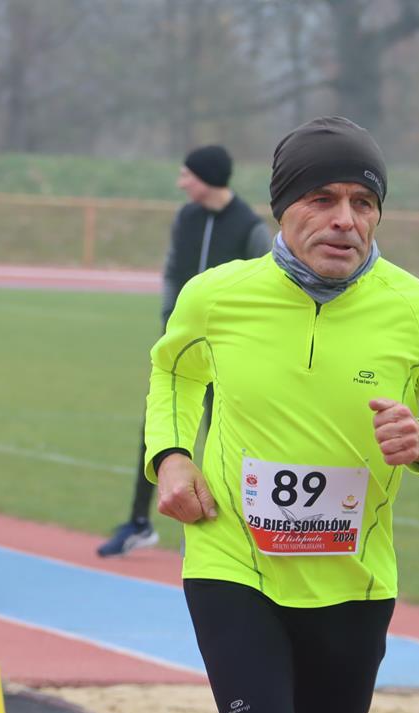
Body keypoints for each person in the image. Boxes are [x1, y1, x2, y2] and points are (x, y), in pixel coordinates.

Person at [143, 116, 419, 713]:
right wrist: (172, 457)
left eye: (363, 202)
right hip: (234, 570)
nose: (345, 219)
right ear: (283, 207)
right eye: (321, 198)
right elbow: (173, 371)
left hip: (353, 589)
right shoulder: (217, 297)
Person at [97, 145, 271, 557]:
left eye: (187, 175)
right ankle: (139, 523)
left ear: (207, 177)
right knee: (158, 433)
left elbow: (267, 288)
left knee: (223, 438)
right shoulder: (186, 217)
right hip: (185, 352)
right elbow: (174, 271)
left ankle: (221, 528)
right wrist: (170, 322)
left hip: (230, 355)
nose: (181, 183)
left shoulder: (250, 226)